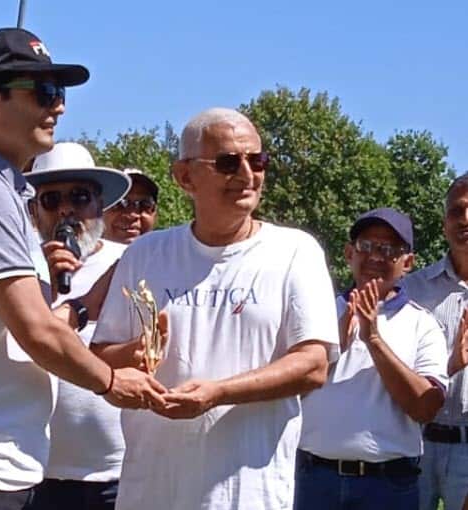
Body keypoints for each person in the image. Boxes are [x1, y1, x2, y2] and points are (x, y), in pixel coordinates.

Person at [0, 28, 166, 510]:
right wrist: (110, 380)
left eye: (58, 93)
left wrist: (82, 308)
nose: (58, 106)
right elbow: (35, 333)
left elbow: (12, 332)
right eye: (42, 92)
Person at [90, 107, 340, 510]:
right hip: (151, 491)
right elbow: (102, 361)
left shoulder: (295, 251)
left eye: (257, 160)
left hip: (246, 494)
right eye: (227, 162)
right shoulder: (145, 254)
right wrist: (132, 356)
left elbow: (313, 365)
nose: (247, 174)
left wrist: (218, 393)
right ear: (184, 177)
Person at [296, 207, 447, 510]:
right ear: (349, 252)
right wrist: (333, 347)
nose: (376, 257)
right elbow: (286, 391)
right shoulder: (315, 311)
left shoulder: (423, 323)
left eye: (390, 250)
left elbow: (426, 407)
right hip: (315, 479)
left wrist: (373, 339)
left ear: (408, 263)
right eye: (366, 246)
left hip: (388, 485)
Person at [25, 142, 130, 510]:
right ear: (33, 211)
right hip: (33, 471)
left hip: (119, 472)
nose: (66, 209)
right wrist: (46, 284)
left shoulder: (130, 263)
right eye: (51, 200)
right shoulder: (14, 273)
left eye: (80, 196)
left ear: (100, 206)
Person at [404, 174, 468, 510]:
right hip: (417, 443)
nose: (466, 219)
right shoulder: (414, 290)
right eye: (457, 211)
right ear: (444, 224)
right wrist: (450, 362)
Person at [102, 168, 158, 244]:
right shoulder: (83, 254)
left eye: (145, 204)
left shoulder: (170, 254)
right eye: (120, 203)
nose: (132, 215)